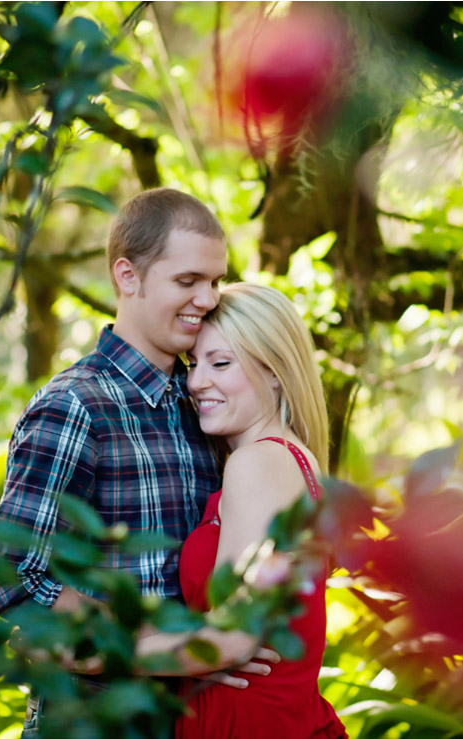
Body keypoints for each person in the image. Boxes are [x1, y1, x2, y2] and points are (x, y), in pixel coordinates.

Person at [0, 188, 269, 735]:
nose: (207, 299)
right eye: (187, 281)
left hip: (193, 718)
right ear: (127, 277)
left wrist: (223, 645)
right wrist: (175, 643)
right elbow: (15, 576)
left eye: (215, 281)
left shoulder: (206, 403)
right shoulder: (76, 405)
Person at [176, 283, 347, 739]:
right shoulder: (295, 460)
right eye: (194, 364)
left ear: (275, 372)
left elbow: (232, 638)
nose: (196, 381)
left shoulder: (258, 463)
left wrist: (90, 653)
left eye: (221, 363)